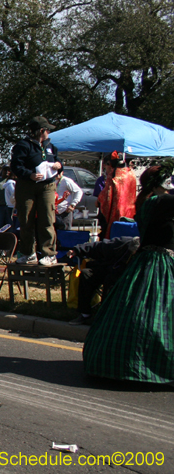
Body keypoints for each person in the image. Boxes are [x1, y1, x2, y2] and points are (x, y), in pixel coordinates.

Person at [83, 161, 174, 383]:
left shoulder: (156, 202)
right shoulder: (158, 202)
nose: (171, 183)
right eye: (168, 179)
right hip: (157, 262)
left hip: (153, 261)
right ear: (157, 183)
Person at [10, 116, 61, 266]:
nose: (49, 133)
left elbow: (58, 161)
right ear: (41, 130)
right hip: (27, 186)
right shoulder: (23, 146)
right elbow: (15, 166)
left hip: (47, 186)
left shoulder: (51, 146)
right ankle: (28, 253)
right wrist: (29, 174)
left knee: (47, 218)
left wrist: (59, 165)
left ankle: (49, 254)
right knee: (26, 219)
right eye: (48, 130)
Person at [66, 235, 140, 325]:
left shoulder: (143, 254)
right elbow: (98, 246)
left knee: (110, 280)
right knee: (86, 274)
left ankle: (105, 315)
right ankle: (84, 314)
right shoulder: (121, 243)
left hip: (125, 275)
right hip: (109, 267)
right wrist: (77, 250)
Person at [97, 152, 136, 239]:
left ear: (109, 164)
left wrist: (99, 200)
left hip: (114, 214)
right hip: (129, 213)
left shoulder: (114, 175)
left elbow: (106, 197)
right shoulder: (131, 174)